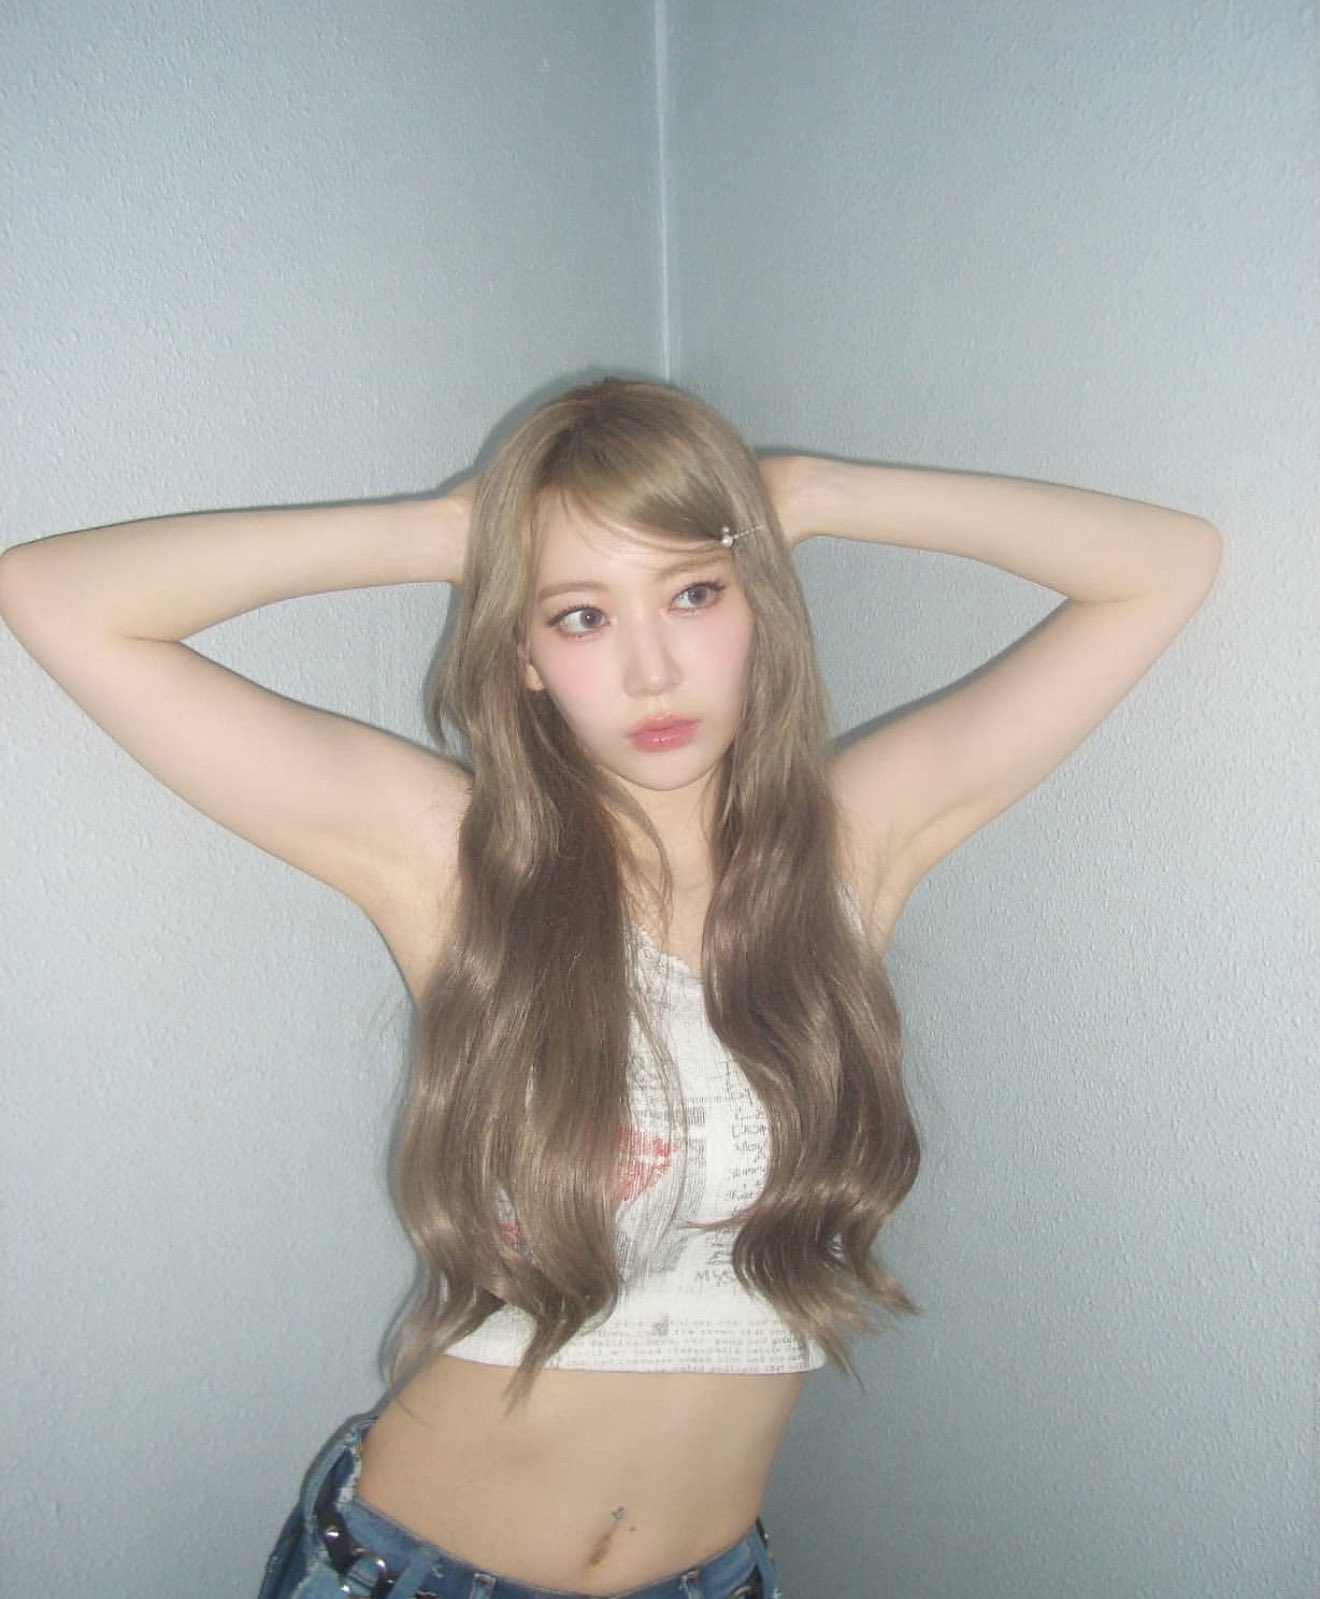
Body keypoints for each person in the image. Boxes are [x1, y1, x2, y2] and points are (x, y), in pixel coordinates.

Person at [0, 378, 1220, 1599]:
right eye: (580, 616)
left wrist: (814, 493)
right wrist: (453, 531)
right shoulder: (454, 861)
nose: (651, 670)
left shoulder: (847, 850)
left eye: (694, 594)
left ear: (760, 602)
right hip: (412, 1571)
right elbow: (56, 596)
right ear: (522, 656)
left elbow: (1162, 567)